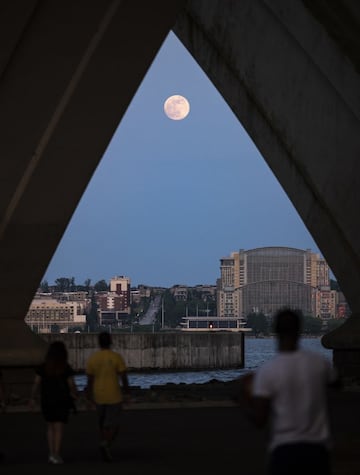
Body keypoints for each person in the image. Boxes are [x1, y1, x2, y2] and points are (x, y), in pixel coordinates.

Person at [241, 308, 339, 475]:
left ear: (276, 331)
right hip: (317, 450)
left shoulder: (268, 371)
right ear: (299, 329)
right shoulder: (319, 363)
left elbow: (260, 420)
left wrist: (243, 399)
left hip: (284, 450)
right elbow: (337, 384)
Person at [29, 340, 78, 464]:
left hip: (47, 400)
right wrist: (74, 393)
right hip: (61, 400)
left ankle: (51, 453)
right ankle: (56, 454)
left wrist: (32, 398)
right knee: (59, 427)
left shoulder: (43, 367)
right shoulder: (65, 367)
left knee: (50, 427)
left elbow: (36, 384)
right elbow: (71, 384)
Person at [85, 331, 130, 462]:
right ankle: (105, 444)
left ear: (98, 342)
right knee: (114, 425)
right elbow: (123, 377)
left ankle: (105, 445)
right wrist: (127, 392)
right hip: (114, 395)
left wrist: (88, 396)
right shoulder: (116, 357)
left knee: (102, 424)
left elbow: (89, 380)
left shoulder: (93, 358)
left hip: (98, 395)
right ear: (110, 341)